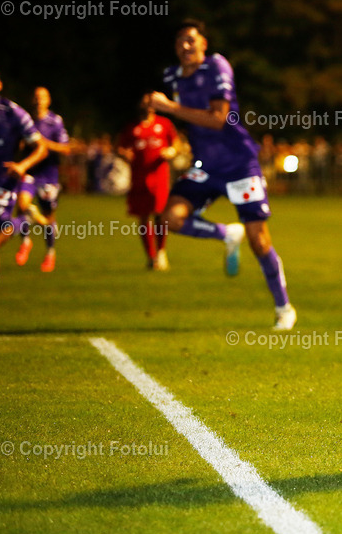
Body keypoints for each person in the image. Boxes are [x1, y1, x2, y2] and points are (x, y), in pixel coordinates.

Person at [148, 19, 296, 330]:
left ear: (204, 43)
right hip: (205, 166)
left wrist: (169, 108)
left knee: (258, 240)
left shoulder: (217, 66)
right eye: (179, 41)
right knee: (169, 218)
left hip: (239, 165)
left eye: (191, 39)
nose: (185, 46)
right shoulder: (172, 76)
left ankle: (283, 307)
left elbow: (217, 119)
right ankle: (226, 234)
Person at [0, 66, 48, 312]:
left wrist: (22, 165)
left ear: (0, 84)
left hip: (1, 182)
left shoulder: (13, 113)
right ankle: (21, 223)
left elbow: (41, 147)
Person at [117, 97, 178, 270]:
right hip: (139, 177)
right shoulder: (132, 127)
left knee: (160, 214)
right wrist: (124, 154)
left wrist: (171, 151)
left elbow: (177, 143)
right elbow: (121, 147)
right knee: (143, 217)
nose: (148, 106)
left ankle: (161, 252)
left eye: (151, 103)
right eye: (145, 103)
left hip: (159, 176)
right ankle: (150, 256)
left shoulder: (164, 124)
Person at [14, 86, 71, 271]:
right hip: (30, 171)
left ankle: (50, 253)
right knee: (22, 205)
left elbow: (66, 148)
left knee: (49, 217)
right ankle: (26, 242)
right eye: (36, 97)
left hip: (49, 175)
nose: (39, 100)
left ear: (49, 100)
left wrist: (44, 144)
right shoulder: (26, 120)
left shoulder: (55, 121)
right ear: (32, 100)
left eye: (43, 97)